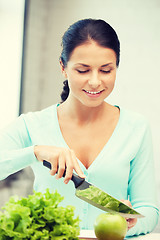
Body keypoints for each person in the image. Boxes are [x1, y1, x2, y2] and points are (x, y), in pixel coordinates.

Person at [0, 18, 159, 237]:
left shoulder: (136, 127)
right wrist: (36, 152)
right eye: (83, 70)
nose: (95, 82)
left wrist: (130, 223)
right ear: (63, 68)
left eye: (106, 70)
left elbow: (149, 209)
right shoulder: (31, 125)